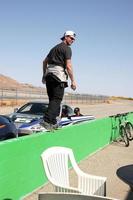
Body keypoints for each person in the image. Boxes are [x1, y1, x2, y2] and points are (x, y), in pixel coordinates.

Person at [42, 30, 77, 130]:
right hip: (58, 76)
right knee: (57, 99)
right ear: (65, 37)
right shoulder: (67, 49)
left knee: (52, 100)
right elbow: (69, 66)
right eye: (71, 38)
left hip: (49, 75)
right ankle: (46, 120)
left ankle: (52, 122)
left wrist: (44, 75)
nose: (72, 40)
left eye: (74, 39)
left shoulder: (54, 48)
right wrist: (73, 81)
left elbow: (44, 62)